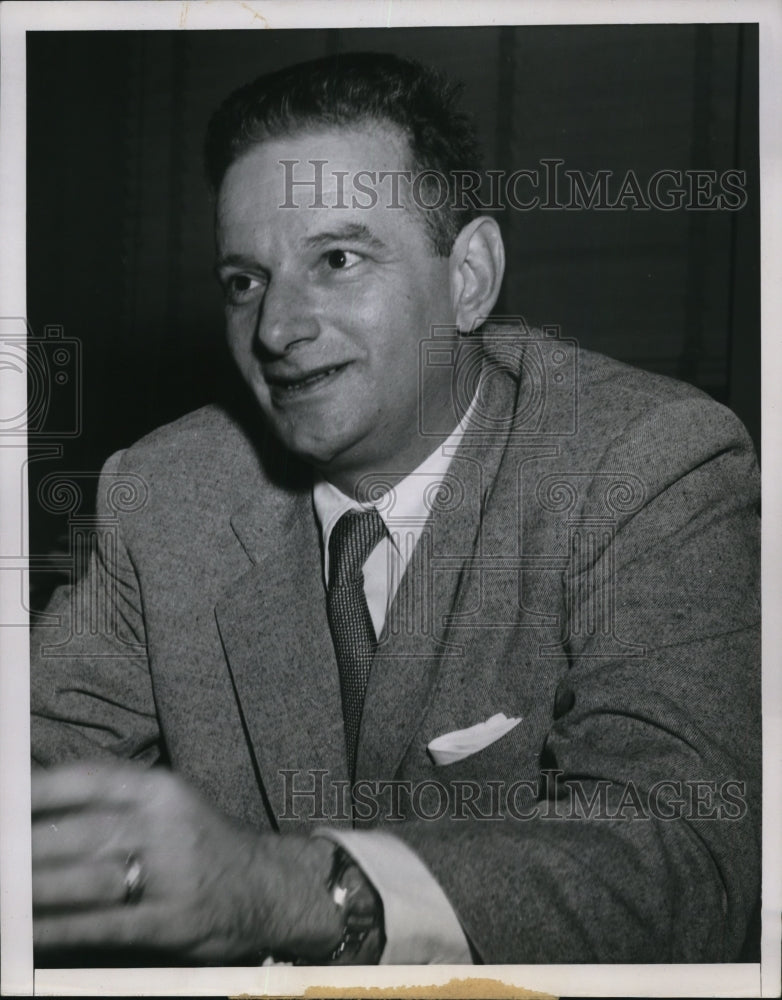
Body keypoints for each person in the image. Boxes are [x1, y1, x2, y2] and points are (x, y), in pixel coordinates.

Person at [29, 52, 761, 966]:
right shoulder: (166, 493)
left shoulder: (647, 464)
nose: (277, 329)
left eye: (337, 259)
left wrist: (284, 892)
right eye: (243, 281)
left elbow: (686, 862)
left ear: (469, 277)